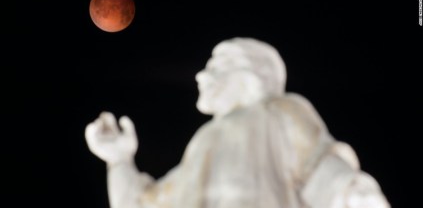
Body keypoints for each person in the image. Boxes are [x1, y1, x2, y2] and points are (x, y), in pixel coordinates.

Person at [85, 37, 390, 208]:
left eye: (217, 67)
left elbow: (318, 162)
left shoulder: (276, 110)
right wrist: (119, 161)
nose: (201, 76)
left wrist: (350, 192)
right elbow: (145, 204)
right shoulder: (204, 141)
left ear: (251, 72)